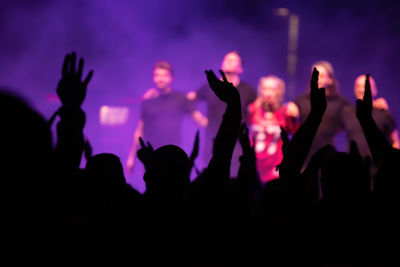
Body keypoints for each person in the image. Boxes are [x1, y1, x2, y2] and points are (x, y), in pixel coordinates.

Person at [126, 61, 207, 173]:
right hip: (151, 155)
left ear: (171, 78)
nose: (160, 79)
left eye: (164, 75)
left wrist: (220, 125)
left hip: (173, 154)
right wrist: (131, 157)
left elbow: (199, 120)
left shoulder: (180, 98)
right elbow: (140, 130)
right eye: (157, 75)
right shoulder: (148, 100)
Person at [187, 51, 257, 175]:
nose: (228, 62)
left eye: (233, 60)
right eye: (226, 59)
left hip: (237, 144)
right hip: (212, 142)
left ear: (240, 68)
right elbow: (187, 100)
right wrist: (200, 120)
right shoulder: (211, 86)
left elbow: (259, 108)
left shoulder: (247, 90)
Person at [294, 61, 350, 166]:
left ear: (330, 79)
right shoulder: (302, 100)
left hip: (328, 157)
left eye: (321, 76)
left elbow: (355, 117)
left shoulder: (340, 103)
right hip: (305, 158)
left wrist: (374, 105)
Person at [247, 76, 299, 183]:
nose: (268, 93)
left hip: (275, 167)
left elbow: (297, 134)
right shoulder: (252, 110)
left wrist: (296, 117)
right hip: (255, 166)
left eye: (272, 89)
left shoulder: (286, 112)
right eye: (265, 89)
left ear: (279, 92)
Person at [343, 74, 399, 159]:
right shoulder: (347, 112)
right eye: (358, 86)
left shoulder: (384, 114)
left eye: (366, 86)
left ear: (374, 90)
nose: (361, 90)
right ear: (354, 89)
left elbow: (395, 142)